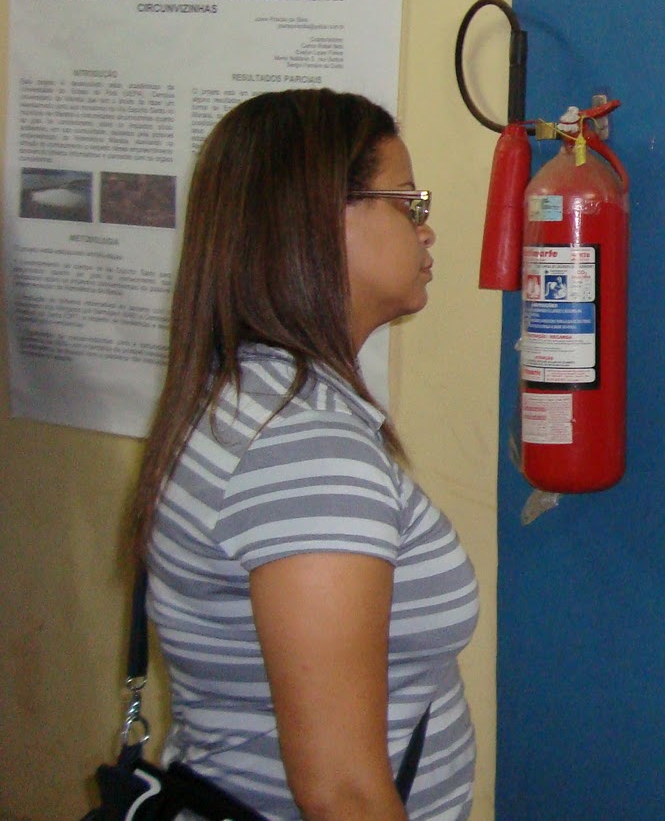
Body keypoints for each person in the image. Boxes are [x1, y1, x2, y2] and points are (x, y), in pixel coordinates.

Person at [129, 89, 477, 820]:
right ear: (324, 218)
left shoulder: (245, 397)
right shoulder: (304, 450)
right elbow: (342, 792)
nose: (427, 227)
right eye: (407, 201)